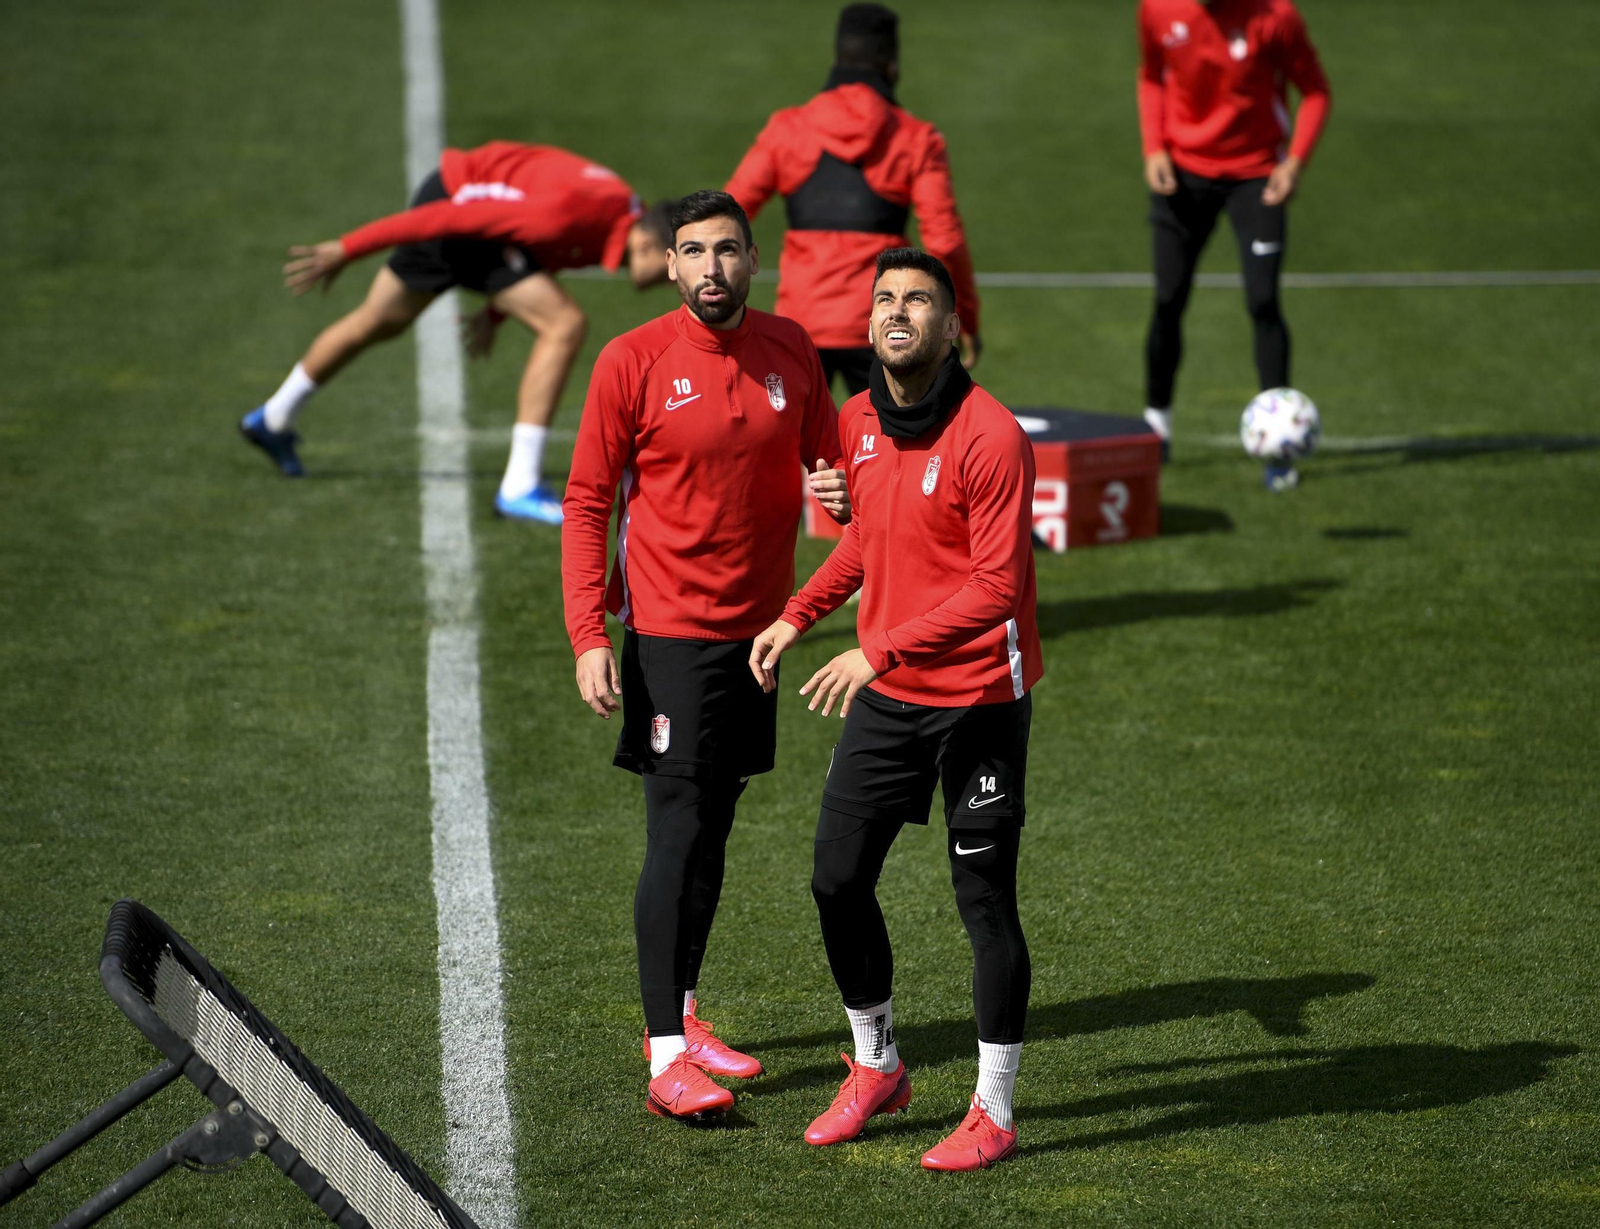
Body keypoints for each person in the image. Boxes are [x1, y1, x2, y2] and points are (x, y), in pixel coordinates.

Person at [560, 190, 850, 1122]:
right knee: (678, 829)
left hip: (758, 635)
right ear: (671, 265)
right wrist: (589, 634)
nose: (712, 268)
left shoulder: (792, 350)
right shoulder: (631, 360)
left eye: (728, 250)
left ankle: (685, 1013)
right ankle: (664, 1058)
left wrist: (840, 489)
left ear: (754, 260)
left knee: (715, 827)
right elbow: (587, 502)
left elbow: (833, 463)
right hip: (670, 634)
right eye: (694, 252)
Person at [750, 248, 1041, 1171]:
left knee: (984, 902)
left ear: (952, 327)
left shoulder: (992, 435)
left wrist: (876, 649)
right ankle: (877, 1064)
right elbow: (870, 541)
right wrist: (797, 615)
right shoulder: (856, 421)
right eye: (884, 298)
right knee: (836, 879)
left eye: (918, 299)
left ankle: (994, 1109)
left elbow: (996, 586)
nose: (897, 311)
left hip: (980, 698)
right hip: (892, 694)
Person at [238, 140, 676, 523]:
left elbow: (544, 253)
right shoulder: (570, 214)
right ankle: (519, 486)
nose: (674, 277)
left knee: (378, 321)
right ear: (648, 243)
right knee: (564, 324)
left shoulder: (619, 215)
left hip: (467, 209)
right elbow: (449, 219)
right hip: (454, 205)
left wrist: (496, 312)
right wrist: (348, 248)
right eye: (673, 262)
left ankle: (273, 418)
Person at [725, 3, 981, 401]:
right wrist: (964, 316)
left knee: (792, 440)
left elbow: (728, 215)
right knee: (897, 439)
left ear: (836, 60)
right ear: (892, 67)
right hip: (882, 323)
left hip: (800, 323)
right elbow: (944, 242)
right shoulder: (916, 138)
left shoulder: (787, 129)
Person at [1136, 0, 1331, 489]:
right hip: (1182, 173)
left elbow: (1315, 91)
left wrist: (1295, 163)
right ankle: (1156, 426)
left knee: (1263, 301)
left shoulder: (1276, 17)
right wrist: (1154, 147)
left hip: (1257, 176)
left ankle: (1280, 448)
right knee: (1168, 298)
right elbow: (1151, 75)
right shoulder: (1157, 9)